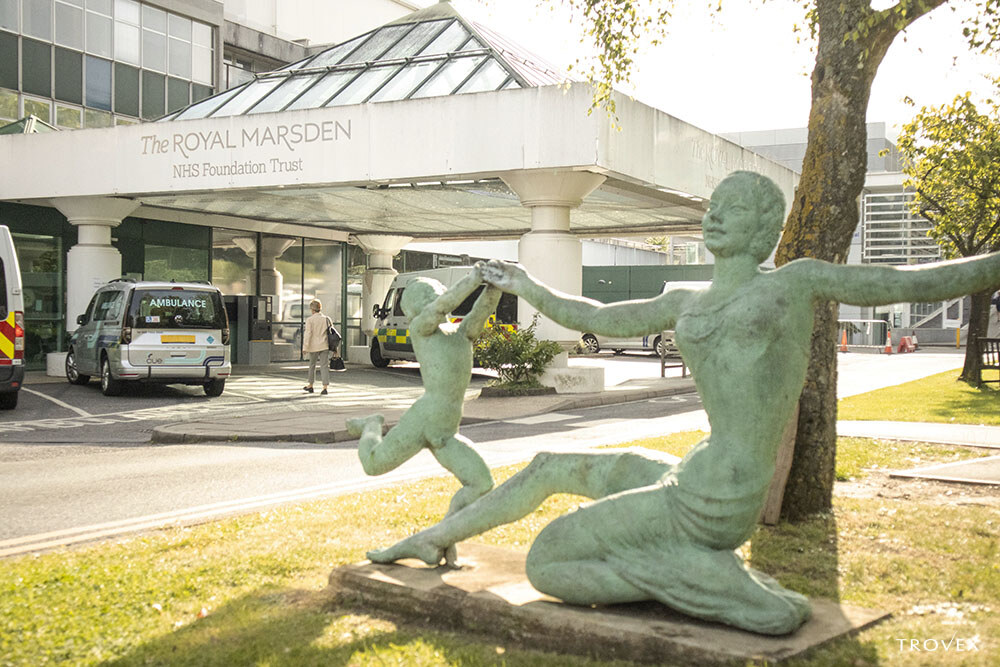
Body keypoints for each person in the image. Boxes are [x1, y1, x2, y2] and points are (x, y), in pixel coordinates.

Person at [365, 171, 1000, 635]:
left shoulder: (794, 284)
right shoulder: (684, 297)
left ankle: (704, 581)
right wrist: (526, 283)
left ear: (765, 230)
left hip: (718, 497)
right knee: (549, 466)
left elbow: (907, 283)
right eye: (714, 205)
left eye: (736, 209)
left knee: (548, 562)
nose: (716, 215)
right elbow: (595, 315)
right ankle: (430, 540)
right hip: (690, 471)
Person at [347, 266, 502, 564]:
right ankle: (370, 426)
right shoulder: (420, 329)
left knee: (481, 483)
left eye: (436, 292)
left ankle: (443, 540)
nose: (436, 297)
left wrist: (496, 283)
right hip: (425, 419)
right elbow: (442, 307)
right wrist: (473, 279)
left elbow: (483, 307)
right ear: (416, 308)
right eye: (428, 296)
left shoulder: (461, 334)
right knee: (373, 464)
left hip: (446, 433)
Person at [302, 299, 330, 395]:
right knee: (324, 366)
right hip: (324, 345)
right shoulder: (326, 319)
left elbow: (308, 334)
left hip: (313, 346)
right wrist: (335, 349)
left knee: (312, 365)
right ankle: (325, 387)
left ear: (312, 309)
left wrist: (305, 347)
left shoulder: (310, 320)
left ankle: (310, 385)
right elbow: (331, 334)